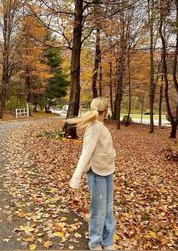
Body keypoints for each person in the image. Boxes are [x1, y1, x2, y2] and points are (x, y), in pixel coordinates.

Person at [68, 97, 117, 251]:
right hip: (96, 173)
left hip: (108, 171)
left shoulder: (101, 126)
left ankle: (107, 242)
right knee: (98, 209)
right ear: (106, 110)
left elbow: (105, 148)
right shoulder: (94, 127)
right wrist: (76, 177)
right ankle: (95, 243)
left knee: (108, 208)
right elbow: (86, 153)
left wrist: (112, 154)